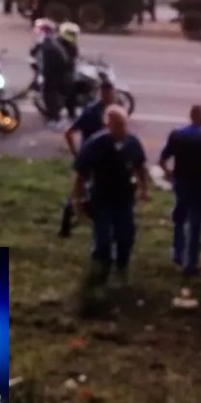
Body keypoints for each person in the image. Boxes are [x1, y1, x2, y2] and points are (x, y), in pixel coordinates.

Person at [72, 105, 148, 288]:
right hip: (102, 198)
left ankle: (122, 264)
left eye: (124, 125)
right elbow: (80, 173)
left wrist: (144, 188)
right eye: (118, 125)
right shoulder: (95, 144)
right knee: (102, 237)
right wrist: (77, 198)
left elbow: (139, 166)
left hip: (124, 198)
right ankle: (101, 267)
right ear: (108, 125)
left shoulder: (132, 143)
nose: (122, 129)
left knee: (126, 235)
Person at [158, 105, 201, 277]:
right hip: (200, 184)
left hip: (181, 182)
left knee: (179, 217)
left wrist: (169, 174)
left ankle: (178, 253)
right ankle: (190, 264)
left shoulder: (177, 135)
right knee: (195, 224)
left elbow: (163, 159)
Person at [58, 81, 118, 238]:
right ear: (101, 94)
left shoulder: (114, 111)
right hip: (90, 160)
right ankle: (67, 223)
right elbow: (69, 132)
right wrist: (76, 154)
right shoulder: (91, 112)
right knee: (79, 191)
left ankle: (98, 221)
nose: (110, 97)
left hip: (106, 161)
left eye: (111, 94)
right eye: (107, 94)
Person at [34, 22, 70, 130]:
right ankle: (53, 116)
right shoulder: (51, 41)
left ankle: (56, 119)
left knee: (49, 96)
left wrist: (44, 75)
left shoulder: (47, 44)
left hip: (53, 73)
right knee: (50, 95)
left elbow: (46, 62)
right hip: (57, 72)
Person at [58, 22, 81, 122]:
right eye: (72, 34)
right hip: (62, 72)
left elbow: (75, 55)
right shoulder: (59, 44)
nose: (74, 36)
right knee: (71, 91)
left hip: (69, 69)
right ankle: (71, 113)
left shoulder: (71, 44)